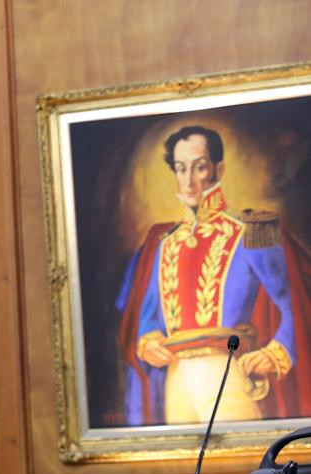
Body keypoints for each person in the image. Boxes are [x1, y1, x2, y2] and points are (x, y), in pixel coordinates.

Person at [117, 125, 308, 425]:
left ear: (218, 170)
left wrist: (275, 352)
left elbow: (295, 304)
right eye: (180, 169)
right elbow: (149, 320)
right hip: (177, 378)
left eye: (199, 167)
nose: (189, 181)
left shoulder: (252, 232)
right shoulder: (163, 243)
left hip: (227, 373)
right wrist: (148, 342)